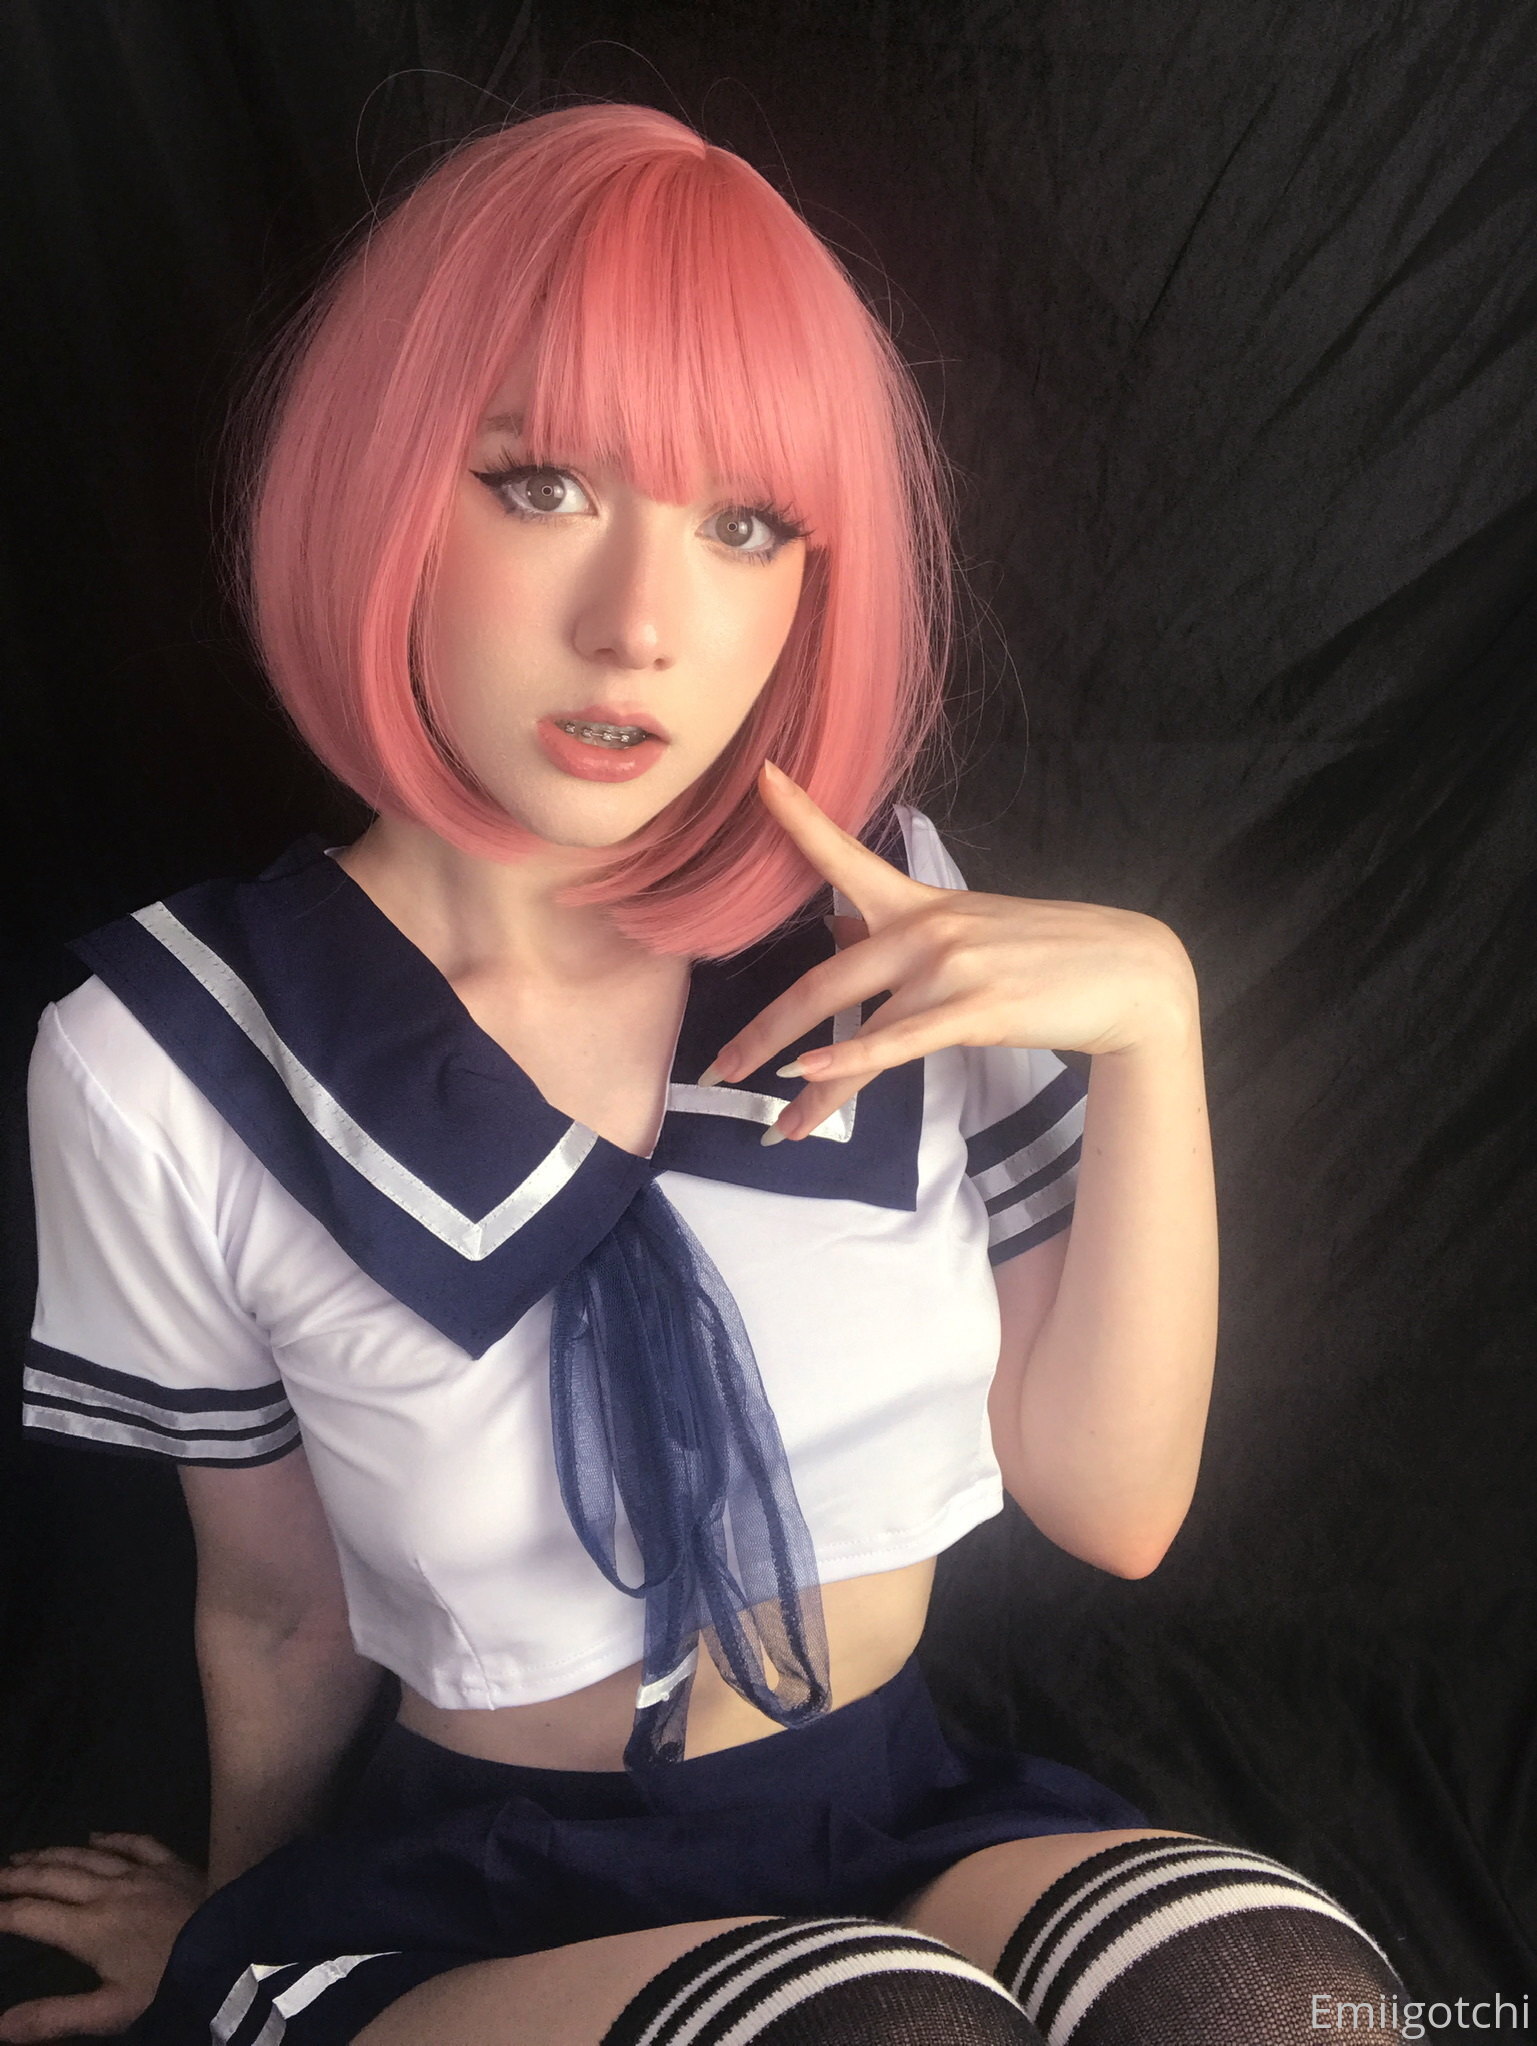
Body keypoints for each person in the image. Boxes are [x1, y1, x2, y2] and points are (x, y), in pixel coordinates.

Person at [0, 103, 1407, 2046]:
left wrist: (1157, 1021)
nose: (639, 627)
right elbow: (277, 1609)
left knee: (1279, 2001)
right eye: (541, 486)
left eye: (743, 525)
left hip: (893, 1814)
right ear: (384, 488)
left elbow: (1110, 1504)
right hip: (482, 1888)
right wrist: (235, 1938)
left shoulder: (887, 931)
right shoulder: (166, 1064)